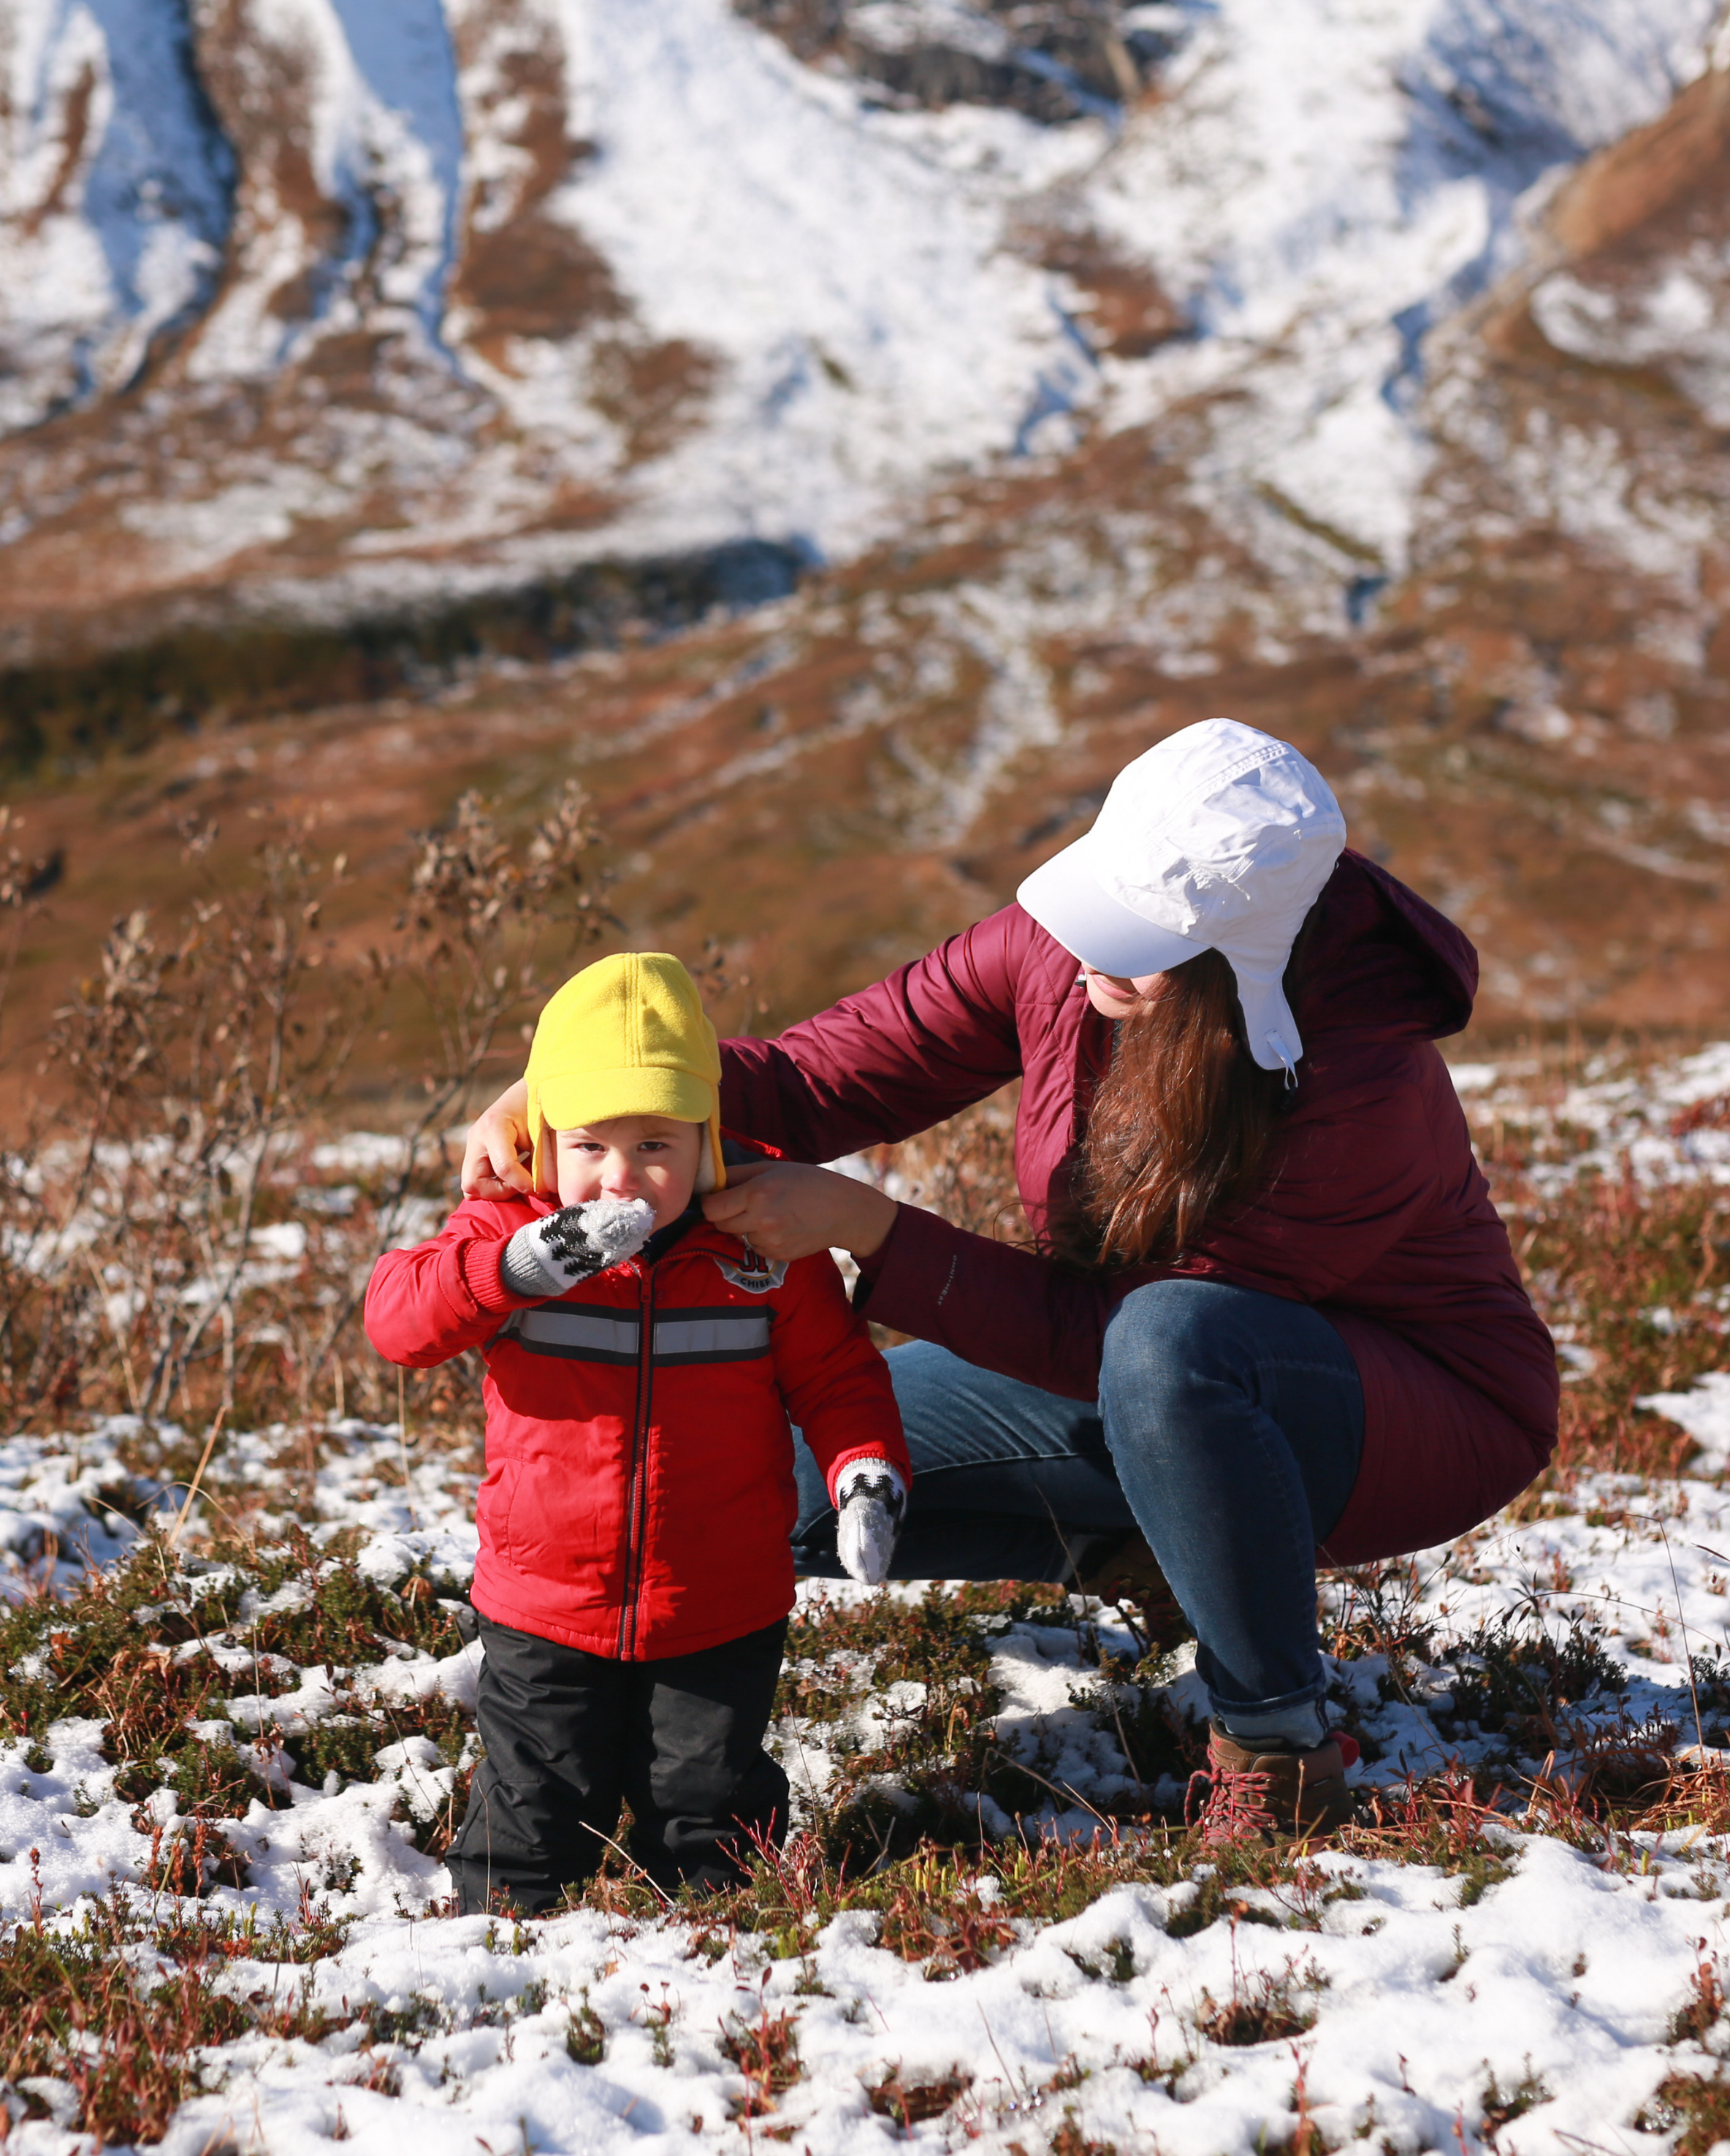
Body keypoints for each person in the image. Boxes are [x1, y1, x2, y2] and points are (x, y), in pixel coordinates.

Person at [461, 721, 1558, 1840]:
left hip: (1408, 1408)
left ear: (1248, 961)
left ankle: (1276, 1741)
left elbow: (1119, 1342)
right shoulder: (1071, 945)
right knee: (775, 1490)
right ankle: (1173, 1545)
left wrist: (873, 1231)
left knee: (1172, 1344)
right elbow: (818, 1075)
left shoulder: (1360, 1082)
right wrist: (576, 1094)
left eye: (1138, 936)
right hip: (1147, 1369)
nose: (1089, 951)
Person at [367, 951, 910, 1911]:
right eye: (588, 1148)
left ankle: (714, 1964)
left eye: (656, 1147)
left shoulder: (764, 1239)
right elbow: (398, 1321)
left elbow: (836, 1375)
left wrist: (865, 1471)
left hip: (720, 1602)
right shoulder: (513, 1229)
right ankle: (500, 1967)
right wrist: (521, 1269)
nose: (621, 1178)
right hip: (545, 1605)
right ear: (542, 1139)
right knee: (531, 1812)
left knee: (709, 1813)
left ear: (706, 1139)